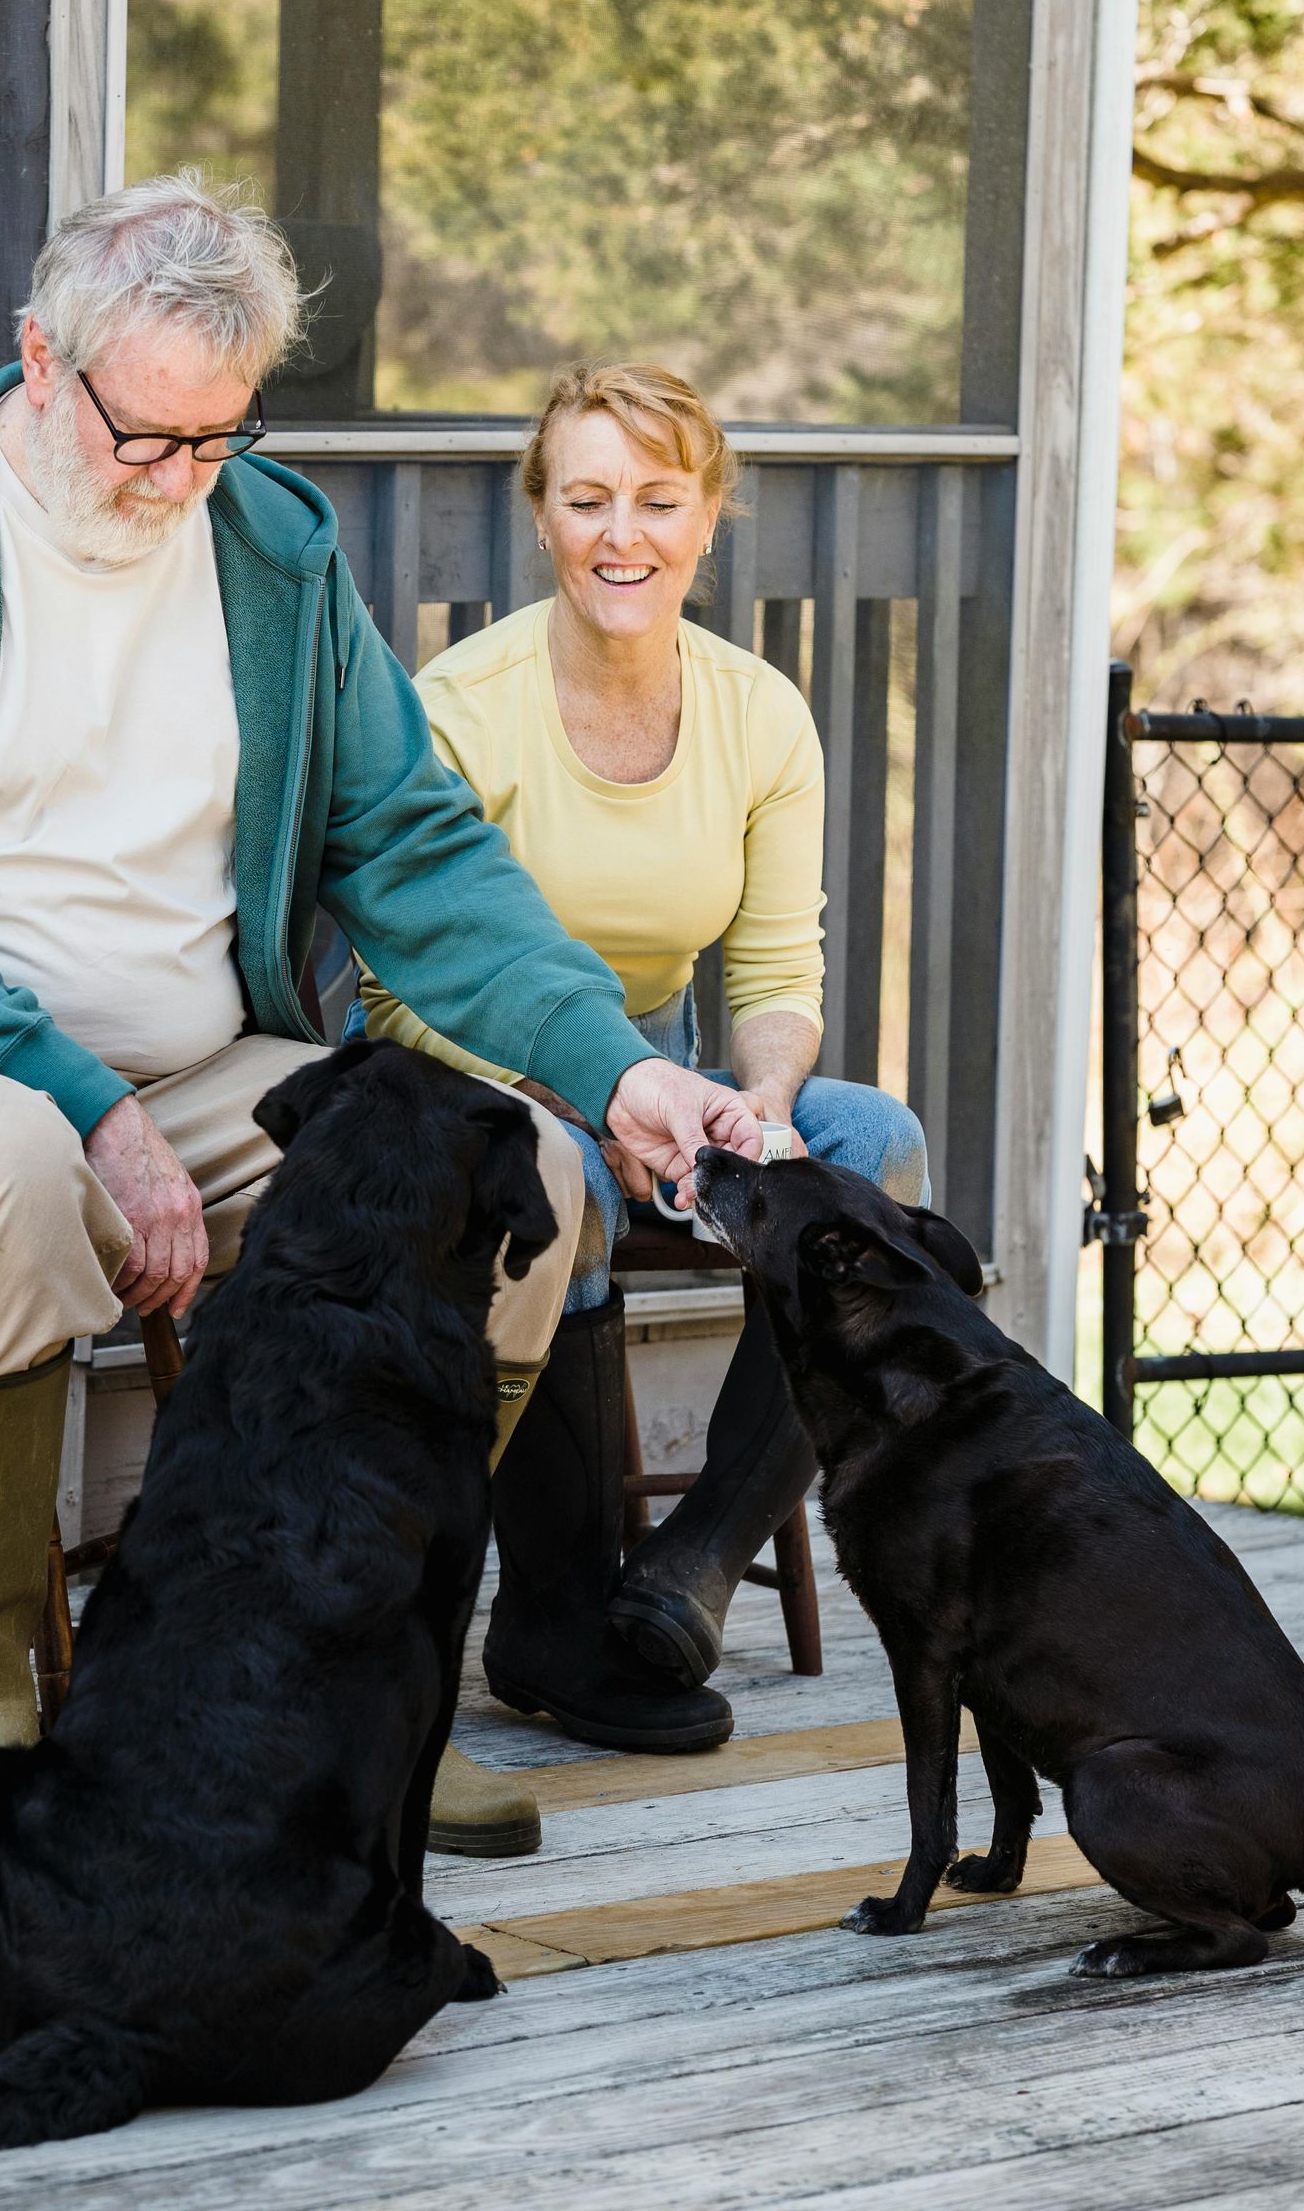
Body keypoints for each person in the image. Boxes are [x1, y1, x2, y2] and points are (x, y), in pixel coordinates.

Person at [0, 179, 769, 1890]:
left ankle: (330, 1706)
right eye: (148, 438)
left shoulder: (268, 547)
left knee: (515, 1183)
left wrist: (619, 1066)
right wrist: (86, 1114)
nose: (180, 481)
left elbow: (417, 850)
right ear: (43, 365)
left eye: (220, 438)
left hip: (196, 1069)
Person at [360, 360, 928, 1848]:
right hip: (480, 1075)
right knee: (555, 1174)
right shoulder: (462, 706)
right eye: (589, 497)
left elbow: (782, 964)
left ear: (708, 519)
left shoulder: (759, 714)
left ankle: (689, 1572)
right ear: (540, 515)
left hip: (674, 1059)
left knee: (879, 1151)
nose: (626, 534)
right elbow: (401, 981)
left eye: (659, 501)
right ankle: (551, 1620)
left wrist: (763, 1100)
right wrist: (596, 1093)